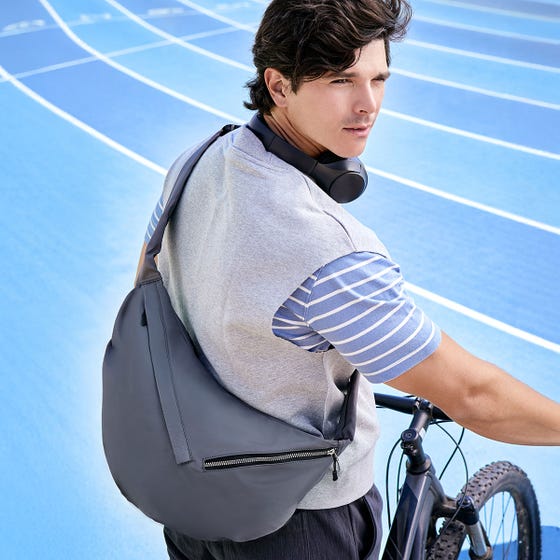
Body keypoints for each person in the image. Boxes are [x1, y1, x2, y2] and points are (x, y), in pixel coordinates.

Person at [139, 0, 560, 558]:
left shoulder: (195, 161)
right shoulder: (328, 251)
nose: (369, 104)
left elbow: (151, 286)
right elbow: (472, 395)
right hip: (299, 522)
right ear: (278, 85)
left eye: (378, 78)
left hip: (191, 492)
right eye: (340, 80)